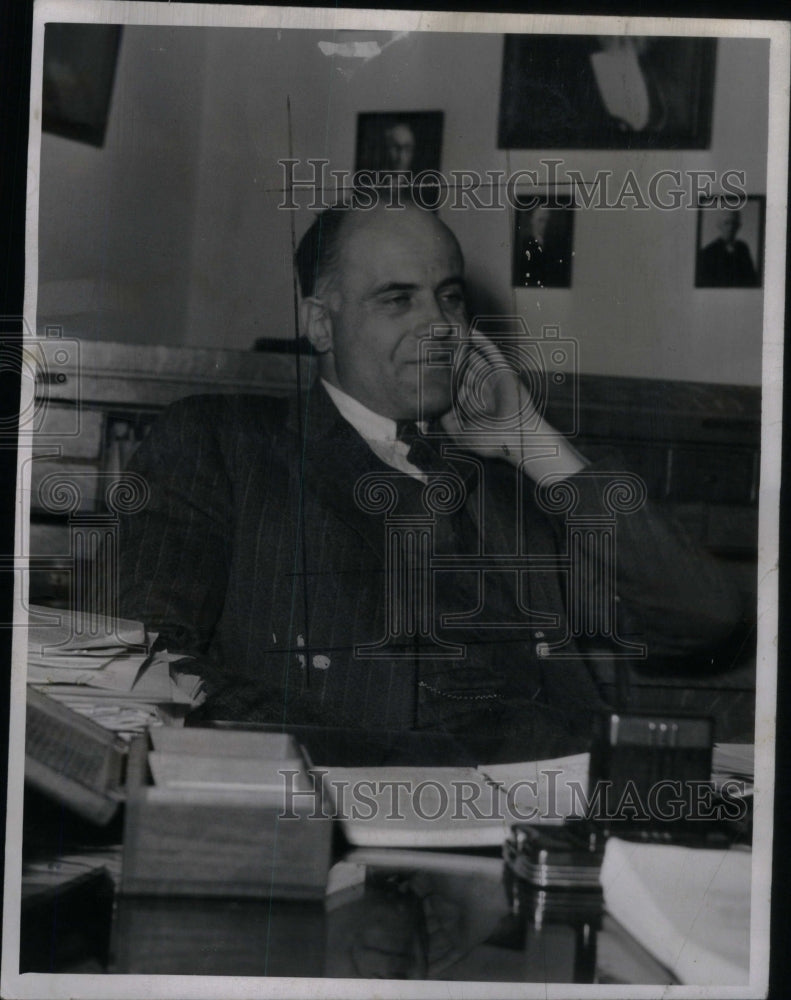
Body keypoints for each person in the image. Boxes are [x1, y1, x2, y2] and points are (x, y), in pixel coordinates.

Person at [117, 198, 740, 763]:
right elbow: (146, 660)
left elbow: (706, 617)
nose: (439, 324)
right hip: (349, 807)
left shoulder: (516, 475)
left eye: (450, 296)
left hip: (554, 806)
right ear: (321, 324)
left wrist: (532, 442)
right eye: (397, 299)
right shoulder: (223, 445)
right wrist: (370, 771)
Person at [696, 209, 759, 287]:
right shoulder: (708, 252)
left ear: (739, 226)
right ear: (719, 225)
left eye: (734, 223)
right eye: (726, 223)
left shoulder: (743, 248)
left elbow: (752, 280)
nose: (731, 227)